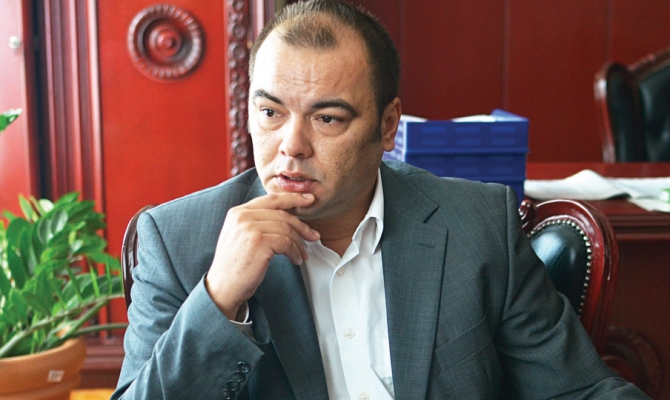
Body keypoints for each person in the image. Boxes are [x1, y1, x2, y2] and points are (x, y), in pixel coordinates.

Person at [113, 1, 649, 399]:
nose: (291, 145)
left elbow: (581, 390)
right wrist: (219, 299)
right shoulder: (179, 242)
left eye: (327, 118)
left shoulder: (477, 225)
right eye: (270, 113)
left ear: (387, 125)